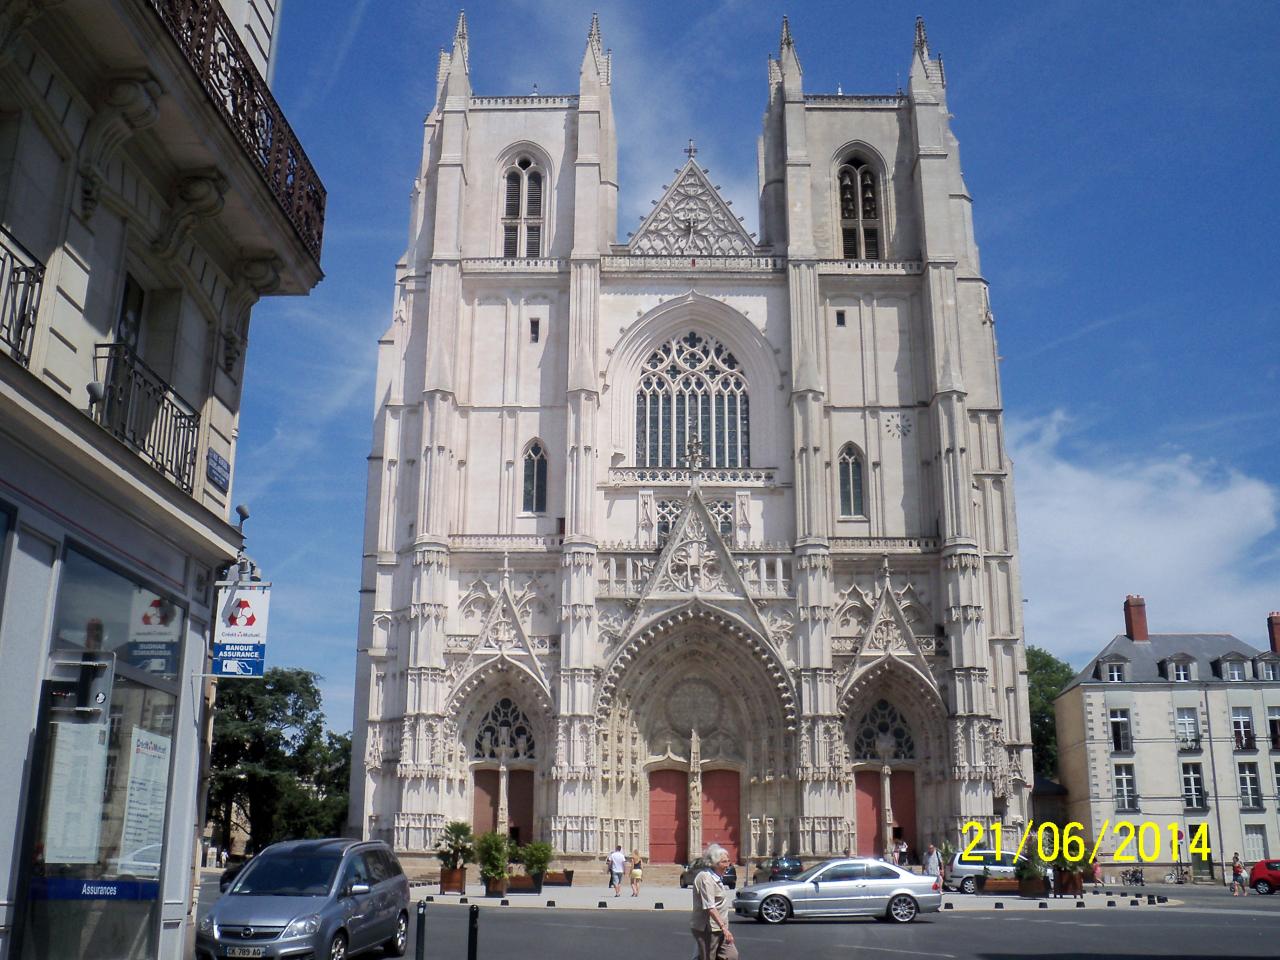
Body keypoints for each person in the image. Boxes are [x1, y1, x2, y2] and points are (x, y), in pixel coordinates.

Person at [690, 843, 737, 960]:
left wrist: (724, 928)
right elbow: (710, 906)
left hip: (720, 927)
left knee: (731, 955)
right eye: (724, 862)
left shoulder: (717, 877)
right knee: (708, 957)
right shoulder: (705, 878)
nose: (728, 865)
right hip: (707, 928)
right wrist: (724, 928)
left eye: (728, 861)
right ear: (715, 864)